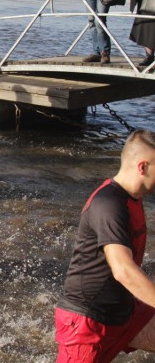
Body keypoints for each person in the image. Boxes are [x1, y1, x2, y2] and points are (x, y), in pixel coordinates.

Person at [55, 129, 155, 362]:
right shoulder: (108, 204)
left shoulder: (132, 199)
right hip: (86, 323)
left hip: (123, 311)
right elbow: (123, 270)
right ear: (143, 167)